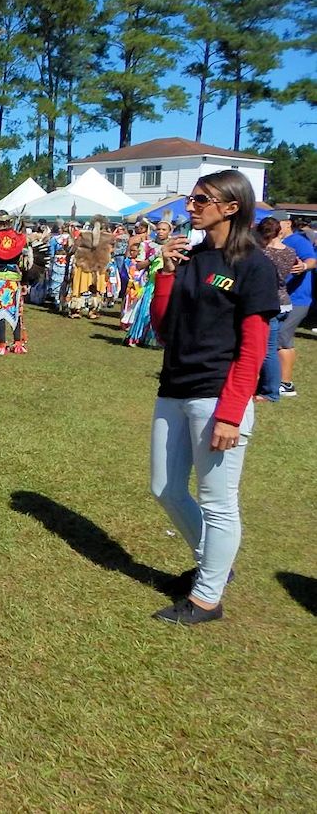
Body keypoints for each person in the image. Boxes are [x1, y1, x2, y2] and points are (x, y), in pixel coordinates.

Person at [147, 170, 278, 625]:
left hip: (217, 395)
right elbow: (164, 327)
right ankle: (217, 567)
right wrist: (165, 274)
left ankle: (207, 598)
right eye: (191, 197)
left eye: (201, 199)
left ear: (231, 207)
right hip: (174, 387)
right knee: (164, 487)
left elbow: (254, 348)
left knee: (218, 500)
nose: (190, 206)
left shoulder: (253, 265)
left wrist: (230, 414)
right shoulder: (191, 258)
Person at [256, 217, 298, 402]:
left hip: (269, 302)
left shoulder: (262, 252)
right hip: (284, 300)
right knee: (271, 347)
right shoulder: (290, 252)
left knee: (268, 350)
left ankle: (270, 391)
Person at [278, 214, 315, 397]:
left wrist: (304, 267)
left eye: (278, 223)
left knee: (282, 337)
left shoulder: (298, 241)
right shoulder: (278, 241)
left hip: (298, 299)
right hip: (284, 299)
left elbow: (311, 259)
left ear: (287, 223)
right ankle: (280, 380)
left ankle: (286, 384)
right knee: (283, 339)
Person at [126, 220, 171, 348]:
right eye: (159, 229)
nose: (161, 232)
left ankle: (158, 339)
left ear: (170, 231)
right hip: (152, 282)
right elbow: (139, 265)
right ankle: (139, 336)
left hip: (168, 282)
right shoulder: (147, 245)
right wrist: (153, 256)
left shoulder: (173, 245)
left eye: (164, 230)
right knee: (147, 310)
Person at [0, 212, 28, 355]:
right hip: (14, 279)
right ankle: (17, 344)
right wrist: (26, 281)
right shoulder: (19, 238)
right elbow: (25, 263)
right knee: (15, 310)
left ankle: (2, 345)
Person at [68, 217, 113, 319]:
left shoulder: (84, 235)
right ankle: (92, 311)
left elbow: (74, 248)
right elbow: (111, 251)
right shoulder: (108, 237)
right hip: (96, 266)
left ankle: (77, 310)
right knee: (96, 289)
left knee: (80, 288)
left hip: (86, 265)